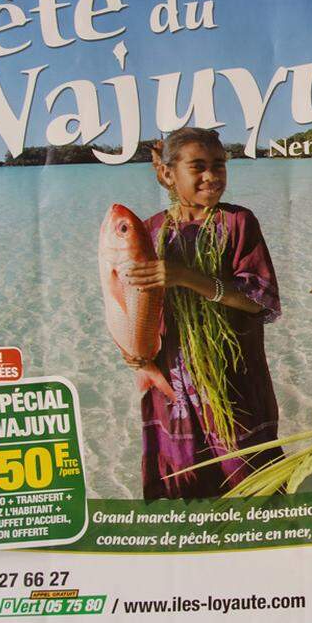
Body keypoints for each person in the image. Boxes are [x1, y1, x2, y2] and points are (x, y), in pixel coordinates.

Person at [121, 127, 282, 498]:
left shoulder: (238, 222)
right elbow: (130, 304)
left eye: (219, 165)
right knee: (183, 484)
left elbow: (260, 299)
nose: (212, 176)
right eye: (198, 167)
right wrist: (131, 350)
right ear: (167, 174)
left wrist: (186, 277)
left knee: (250, 480)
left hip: (232, 377)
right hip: (171, 381)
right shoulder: (150, 231)